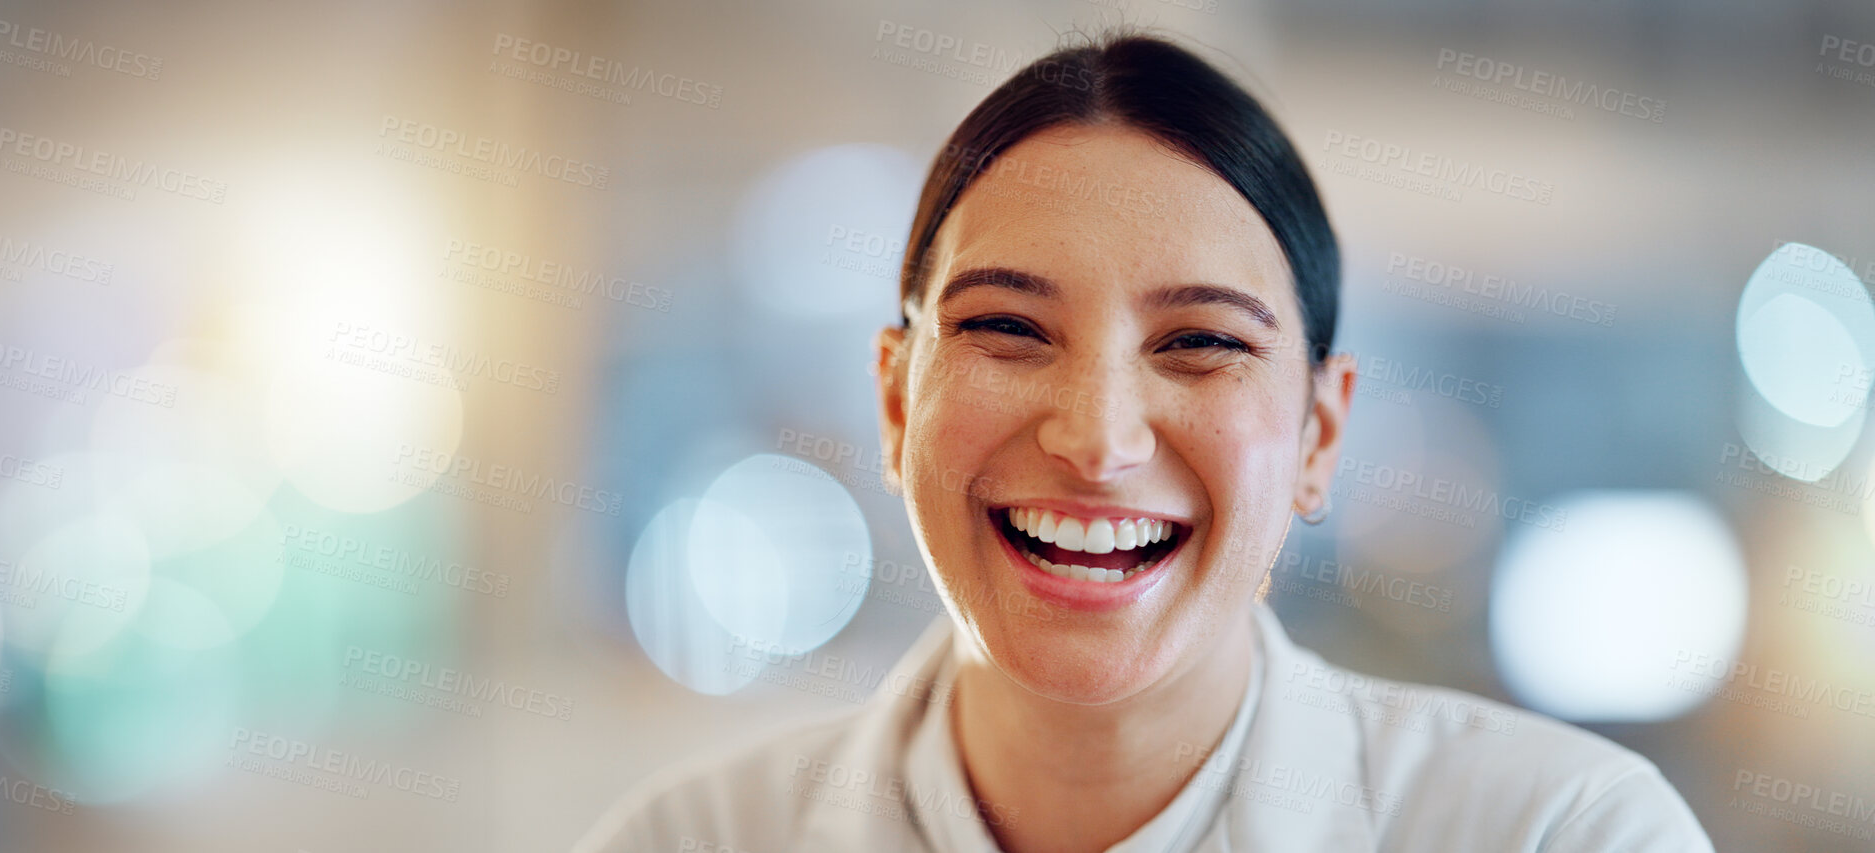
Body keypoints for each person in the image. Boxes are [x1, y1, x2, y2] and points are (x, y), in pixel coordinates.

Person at [576, 31, 1713, 852]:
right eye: (1008, 327)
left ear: (1319, 435)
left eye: (1200, 341)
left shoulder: (1562, 832)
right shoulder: (686, 839)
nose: (1096, 438)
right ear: (891, 400)